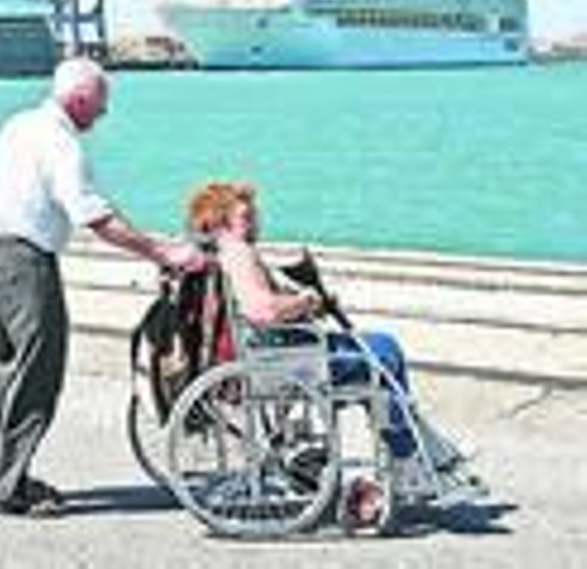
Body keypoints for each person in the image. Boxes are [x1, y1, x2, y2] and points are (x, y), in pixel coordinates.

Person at [0, 56, 208, 517]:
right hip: (23, 261)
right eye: (101, 103)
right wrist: (163, 252)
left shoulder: (19, 124)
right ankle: (8, 487)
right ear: (80, 98)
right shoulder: (61, 142)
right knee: (38, 371)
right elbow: (94, 215)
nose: (103, 113)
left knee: (5, 370)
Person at [185, 180, 477, 520]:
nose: (255, 222)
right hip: (289, 361)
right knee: (384, 353)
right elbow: (261, 310)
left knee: (383, 350)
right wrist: (304, 301)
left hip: (280, 351)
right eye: (246, 217)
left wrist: (306, 306)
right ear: (222, 221)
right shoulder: (239, 254)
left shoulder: (224, 253)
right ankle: (408, 460)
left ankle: (419, 453)